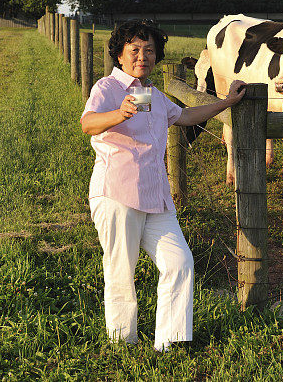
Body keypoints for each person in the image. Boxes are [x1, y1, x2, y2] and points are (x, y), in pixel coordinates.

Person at [80, 20, 245, 352]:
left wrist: (226, 103)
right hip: (117, 193)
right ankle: (122, 345)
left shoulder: (147, 93)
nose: (143, 56)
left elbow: (184, 116)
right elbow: (88, 124)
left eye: (150, 50)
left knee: (179, 262)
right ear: (121, 54)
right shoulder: (109, 88)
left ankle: (169, 343)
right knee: (120, 272)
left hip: (155, 195)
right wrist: (118, 113)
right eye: (135, 49)